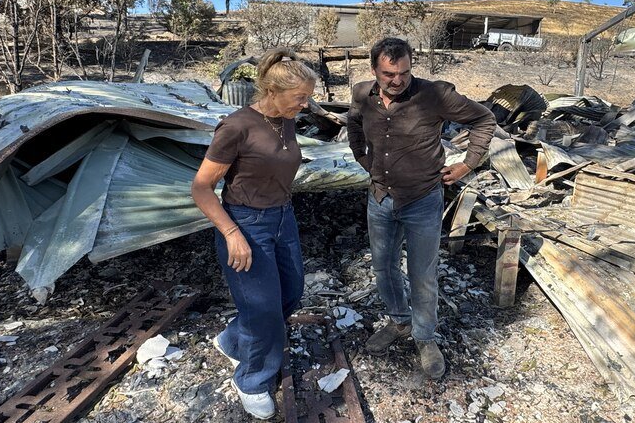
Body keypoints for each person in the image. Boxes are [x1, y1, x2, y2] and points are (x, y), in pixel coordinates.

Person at [347, 37, 496, 379]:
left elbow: (484, 120)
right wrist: (361, 156)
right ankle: (399, 322)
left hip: (422, 200)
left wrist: (467, 164)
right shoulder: (361, 94)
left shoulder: (434, 95)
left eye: (404, 72)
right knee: (384, 268)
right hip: (380, 197)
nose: (397, 80)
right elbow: (354, 123)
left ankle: (425, 336)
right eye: (388, 74)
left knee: (422, 274)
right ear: (374, 70)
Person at [191, 48, 318, 419]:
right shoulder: (236, 127)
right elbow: (201, 188)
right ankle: (252, 380)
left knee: (292, 293)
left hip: (283, 219)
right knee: (263, 311)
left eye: (308, 97)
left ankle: (232, 340)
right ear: (272, 92)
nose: (306, 105)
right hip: (245, 223)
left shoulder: (286, 119)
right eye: (300, 98)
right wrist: (232, 233)